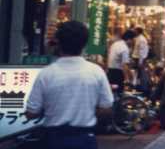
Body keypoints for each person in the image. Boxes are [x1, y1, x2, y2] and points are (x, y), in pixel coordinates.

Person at [25, 21, 113, 149]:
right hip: (85, 139)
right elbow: (106, 108)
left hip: (53, 139)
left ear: (59, 43)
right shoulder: (96, 72)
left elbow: (31, 112)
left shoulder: (46, 74)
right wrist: (88, 111)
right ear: (84, 43)